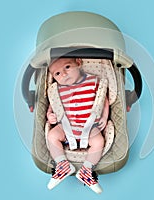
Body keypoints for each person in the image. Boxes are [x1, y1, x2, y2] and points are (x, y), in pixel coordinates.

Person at [46, 58, 109, 194]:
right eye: (57, 74)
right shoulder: (57, 89)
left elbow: (103, 99)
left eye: (67, 67)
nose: (63, 74)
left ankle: (86, 170)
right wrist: (50, 115)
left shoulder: (93, 81)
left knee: (98, 141)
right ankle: (63, 165)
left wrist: (104, 116)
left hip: (90, 126)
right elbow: (52, 104)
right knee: (52, 136)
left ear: (78, 63)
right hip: (67, 127)